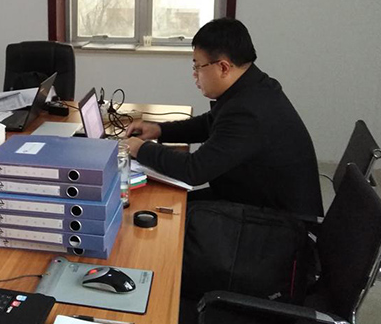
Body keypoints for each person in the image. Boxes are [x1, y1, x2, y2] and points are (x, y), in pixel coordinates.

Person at [125, 18, 323, 217]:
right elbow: (209, 123)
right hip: (251, 197)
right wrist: (159, 130)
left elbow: (194, 170)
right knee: (166, 204)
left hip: (277, 222)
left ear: (224, 67)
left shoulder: (248, 111)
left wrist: (140, 149)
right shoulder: (254, 86)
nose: (195, 75)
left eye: (198, 67)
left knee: (164, 214)